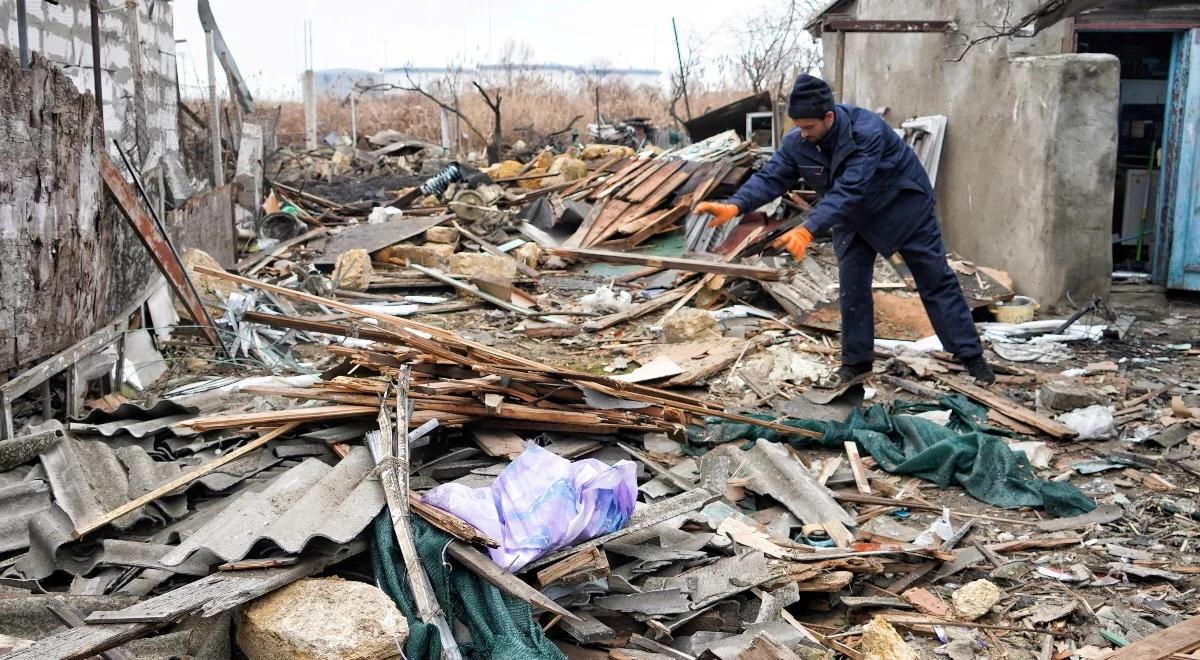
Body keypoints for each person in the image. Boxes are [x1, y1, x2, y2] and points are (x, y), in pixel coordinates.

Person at [696, 74, 995, 386]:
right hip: (852, 217)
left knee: (935, 280)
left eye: (808, 127)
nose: (803, 133)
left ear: (829, 116)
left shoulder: (867, 131)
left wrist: (809, 227)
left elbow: (851, 188)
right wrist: (736, 204)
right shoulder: (799, 140)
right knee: (852, 288)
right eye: (798, 126)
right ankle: (856, 364)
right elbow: (773, 176)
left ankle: (971, 357)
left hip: (902, 209)